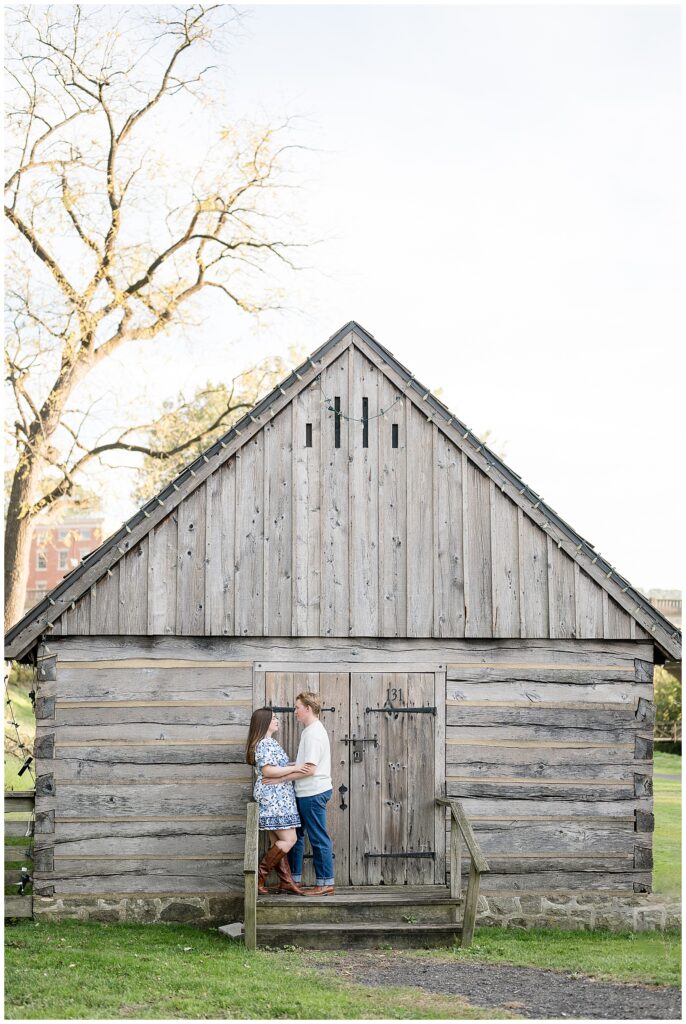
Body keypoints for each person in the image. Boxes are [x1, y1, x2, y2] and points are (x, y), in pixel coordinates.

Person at [245, 707, 310, 895]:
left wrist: (292, 765)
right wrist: (295, 768)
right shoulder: (265, 743)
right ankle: (258, 878)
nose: (276, 720)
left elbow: (276, 766)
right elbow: (268, 771)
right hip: (274, 798)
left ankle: (286, 882)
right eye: (273, 718)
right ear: (264, 722)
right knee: (290, 839)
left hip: (278, 797)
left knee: (279, 842)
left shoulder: (269, 742)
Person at [288, 691, 335, 895]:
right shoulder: (309, 731)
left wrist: (280, 778)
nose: (295, 711)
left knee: (318, 838)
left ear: (308, 708)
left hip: (313, 793)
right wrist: (284, 766)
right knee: (296, 836)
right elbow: (303, 764)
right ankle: (294, 880)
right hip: (305, 792)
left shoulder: (314, 733)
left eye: (297, 707)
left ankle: (325, 883)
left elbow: (310, 769)